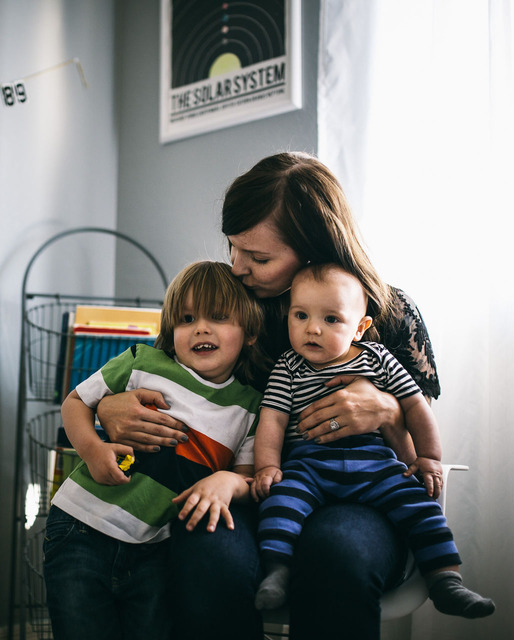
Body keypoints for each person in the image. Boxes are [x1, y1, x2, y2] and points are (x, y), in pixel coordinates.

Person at [95, 152, 455, 640]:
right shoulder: (231, 305)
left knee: (337, 552)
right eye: (233, 248)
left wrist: (388, 411)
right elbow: (155, 375)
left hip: (361, 493)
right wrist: (108, 406)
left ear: (313, 249)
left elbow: (419, 443)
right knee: (206, 542)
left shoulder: (388, 313)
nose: (237, 267)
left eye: (259, 258)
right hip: (245, 484)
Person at [251, 262, 494, 619]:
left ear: (360, 328)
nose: (312, 328)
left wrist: (427, 456)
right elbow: (272, 418)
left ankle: (445, 580)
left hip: (376, 465)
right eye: (300, 315)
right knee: (280, 502)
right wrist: (268, 466)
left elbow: (414, 407)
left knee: (421, 507)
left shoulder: (379, 359)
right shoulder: (288, 367)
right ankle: (277, 573)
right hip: (309, 465)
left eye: (331, 319)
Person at [43, 261, 269, 640]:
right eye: (186, 318)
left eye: (218, 316)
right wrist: (93, 450)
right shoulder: (141, 362)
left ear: (249, 332)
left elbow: (247, 479)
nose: (200, 327)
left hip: (156, 549)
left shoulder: (250, 408)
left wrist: (227, 480)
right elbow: (75, 403)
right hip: (80, 528)